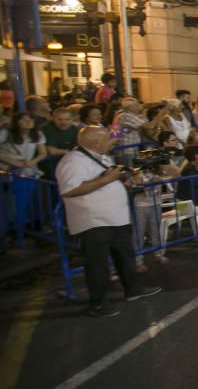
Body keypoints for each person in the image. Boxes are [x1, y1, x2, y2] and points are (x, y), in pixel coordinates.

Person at [55, 126, 161, 317]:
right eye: (107, 139)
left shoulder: (100, 156)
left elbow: (108, 177)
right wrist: (106, 180)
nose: (112, 142)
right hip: (94, 220)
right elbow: (69, 190)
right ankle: (98, 303)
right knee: (98, 265)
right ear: (96, 143)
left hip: (115, 218)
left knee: (125, 256)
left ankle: (133, 289)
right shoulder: (73, 161)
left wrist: (121, 179)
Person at [0, 112, 48, 236]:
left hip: (30, 171)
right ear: (16, 122)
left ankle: (27, 227)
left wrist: (32, 162)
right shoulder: (6, 133)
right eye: (24, 120)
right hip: (11, 172)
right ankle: (16, 229)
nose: (28, 122)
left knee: (29, 200)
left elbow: (43, 152)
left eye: (30, 119)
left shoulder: (37, 134)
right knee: (15, 202)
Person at [40, 107, 78, 178]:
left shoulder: (75, 129)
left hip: (66, 166)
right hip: (47, 169)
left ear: (72, 120)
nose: (63, 122)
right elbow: (52, 151)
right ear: (53, 118)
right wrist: (70, 152)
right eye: (59, 119)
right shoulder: (47, 128)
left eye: (67, 119)